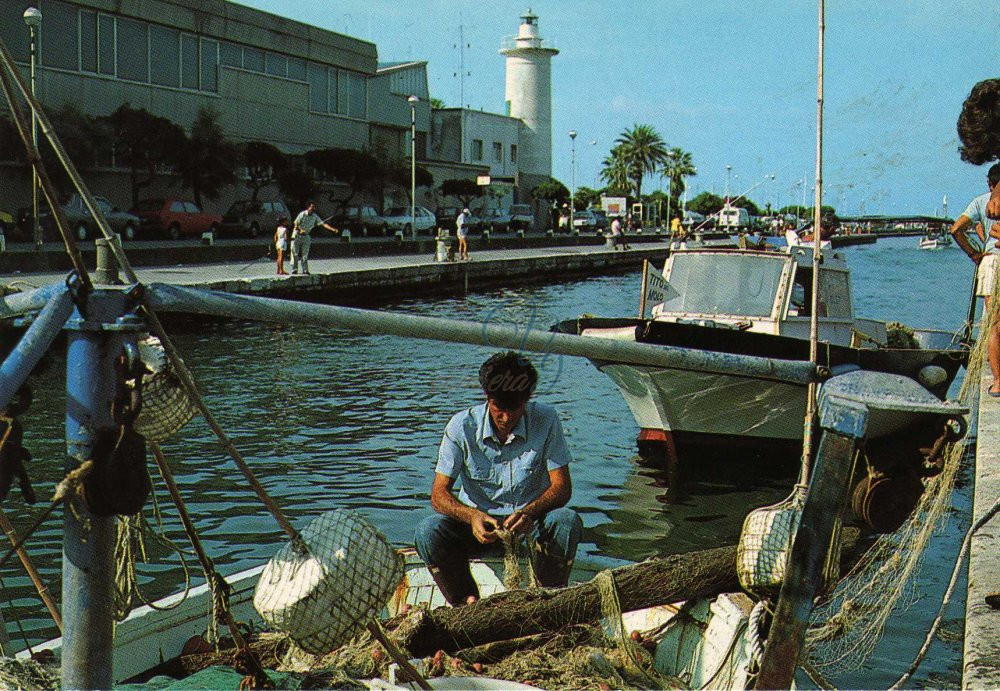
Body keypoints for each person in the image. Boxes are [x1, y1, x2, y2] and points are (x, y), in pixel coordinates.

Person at [415, 351, 583, 606]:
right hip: (479, 529)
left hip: (529, 527)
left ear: (527, 399)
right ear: (487, 398)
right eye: (499, 409)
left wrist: (529, 513)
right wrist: (472, 517)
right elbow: (439, 496)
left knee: (566, 521)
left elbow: (562, 487)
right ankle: (466, 604)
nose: (506, 418)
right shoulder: (460, 427)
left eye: (514, 409)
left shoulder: (547, 419)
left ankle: (547, 602)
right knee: (428, 531)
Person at [950, 162, 1000, 397]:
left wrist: (974, 254)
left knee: (994, 324)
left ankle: (998, 381)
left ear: (989, 183)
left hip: (990, 261)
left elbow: (956, 230)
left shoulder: (981, 201)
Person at [290, 201, 338, 275]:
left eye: (314, 207)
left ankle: (305, 270)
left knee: (305, 254)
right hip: (297, 236)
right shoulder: (302, 214)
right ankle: (294, 269)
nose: (313, 208)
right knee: (295, 254)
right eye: (312, 207)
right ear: (308, 207)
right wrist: (300, 230)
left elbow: (323, 224)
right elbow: (295, 223)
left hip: (306, 236)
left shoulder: (315, 216)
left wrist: (332, 229)